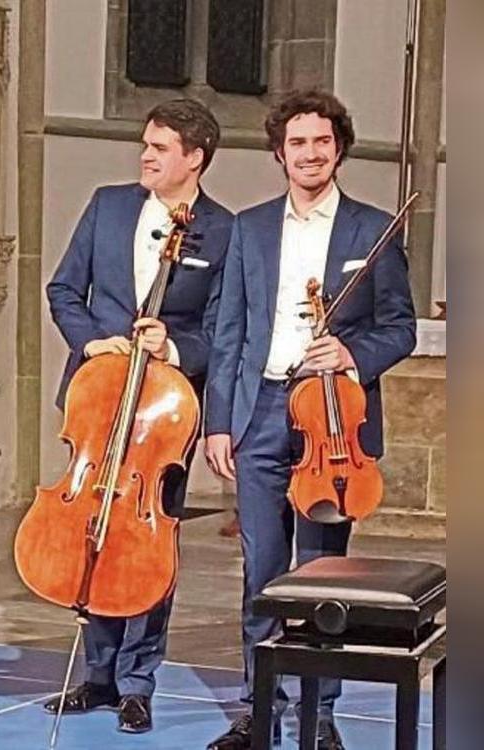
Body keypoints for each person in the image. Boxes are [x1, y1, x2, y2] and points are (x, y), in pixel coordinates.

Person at [203, 89, 416, 750]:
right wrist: (218, 423)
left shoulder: (372, 228)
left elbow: (400, 327)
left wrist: (352, 353)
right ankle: (260, 708)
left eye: (322, 142)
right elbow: (229, 331)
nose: (310, 154)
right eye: (298, 143)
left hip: (333, 421)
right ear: (279, 153)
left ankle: (320, 716)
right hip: (263, 410)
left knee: (325, 576)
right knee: (261, 571)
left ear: (339, 148)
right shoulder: (250, 227)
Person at [44, 98, 233, 734]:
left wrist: (174, 348)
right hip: (98, 401)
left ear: (195, 158)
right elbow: (64, 290)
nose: (146, 156)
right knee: (92, 527)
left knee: (151, 543)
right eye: (145, 145)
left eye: (160, 148)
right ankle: (96, 676)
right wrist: (93, 342)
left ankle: (137, 680)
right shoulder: (108, 204)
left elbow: (222, 330)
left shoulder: (225, 230)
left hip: (164, 417)